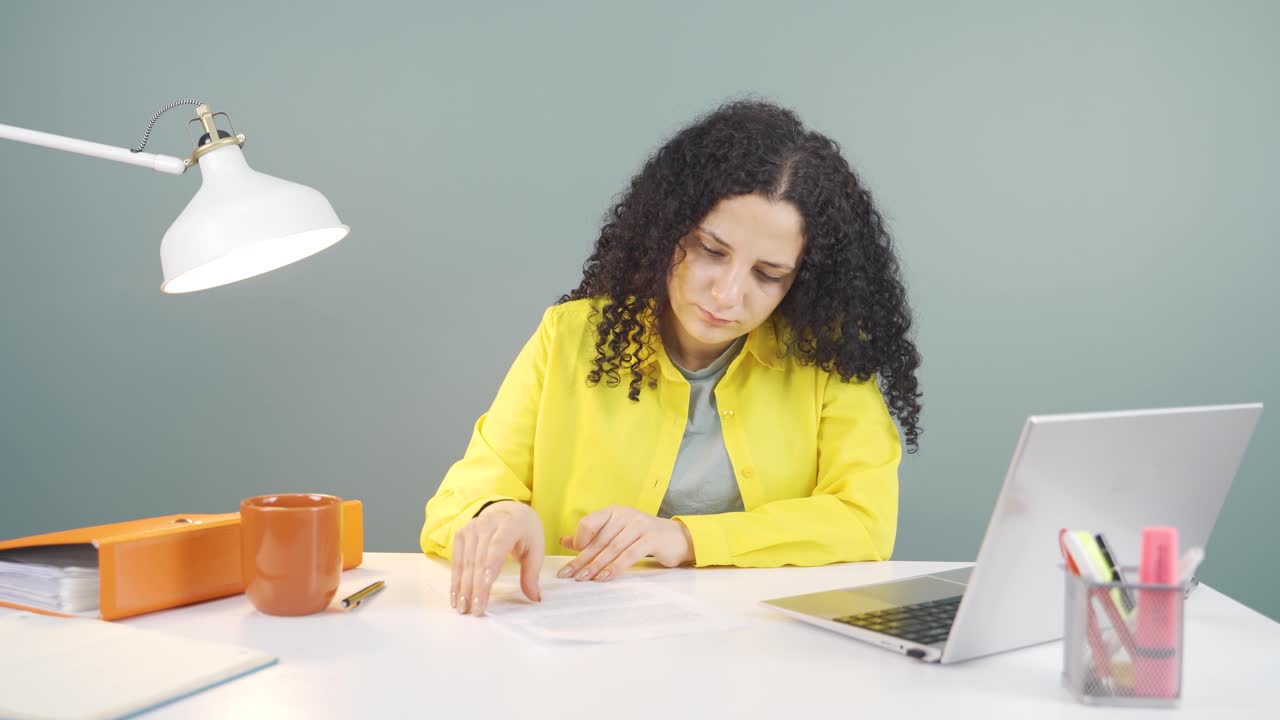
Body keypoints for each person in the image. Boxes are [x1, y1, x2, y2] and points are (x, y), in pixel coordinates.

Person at [421, 99, 922, 616]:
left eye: (768, 275)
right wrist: (498, 511)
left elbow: (864, 520)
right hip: (583, 644)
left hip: (759, 650)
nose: (727, 294)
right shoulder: (570, 337)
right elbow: (456, 502)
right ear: (667, 231)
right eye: (710, 250)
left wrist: (683, 538)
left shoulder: (827, 361)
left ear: (802, 282)